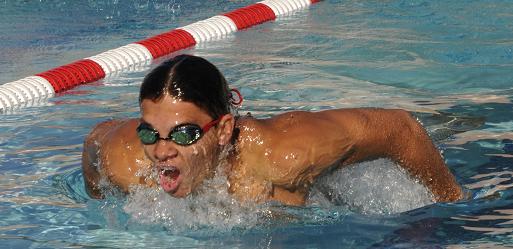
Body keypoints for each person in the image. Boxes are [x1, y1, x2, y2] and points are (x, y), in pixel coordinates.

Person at [82, 54, 463, 206]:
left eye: (183, 134)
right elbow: (95, 140)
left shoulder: (285, 157)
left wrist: (450, 209)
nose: (161, 150)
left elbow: (402, 129)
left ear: (224, 128)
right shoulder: (126, 159)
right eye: (151, 133)